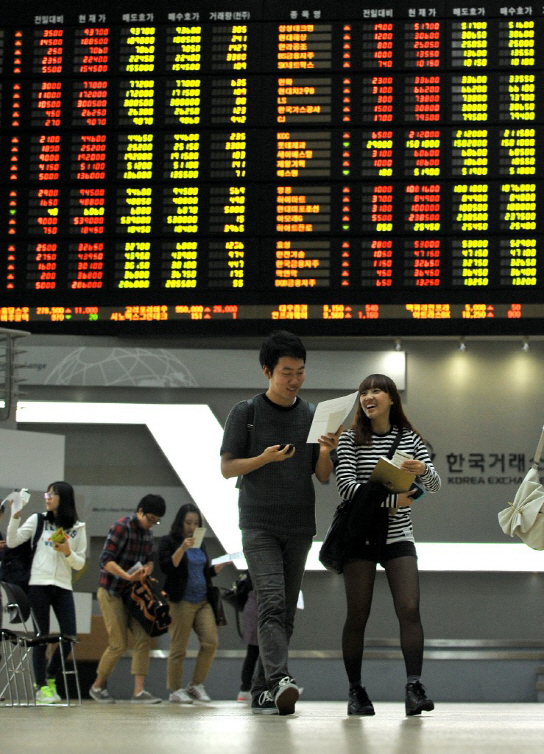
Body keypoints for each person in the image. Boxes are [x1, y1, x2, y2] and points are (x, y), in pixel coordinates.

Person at [220, 330, 341, 715]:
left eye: (300, 372)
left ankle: (261, 688)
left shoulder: (311, 414)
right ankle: (281, 680)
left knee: (284, 612)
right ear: (267, 371)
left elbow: (322, 475)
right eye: (286, 372)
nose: (294, 380)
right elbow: (226, 468)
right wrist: (263, 459)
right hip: (257, 523)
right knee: (271, 600)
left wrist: (325, 450)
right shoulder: (246, 412)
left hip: (299, 524)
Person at [334, 373, 441, 717]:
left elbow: (434, 485)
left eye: (377, 390)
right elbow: (348, 489)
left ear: (391, 399)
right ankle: (356, 692)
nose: (369, 396)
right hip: (360, 536)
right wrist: (393, 502)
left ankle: (413, 686)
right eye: (364, 391)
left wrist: (422, 468)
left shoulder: (409, 437)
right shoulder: (350, 439)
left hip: (398, 535)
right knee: (358, 613)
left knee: (409, 608)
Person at [5, 482, 87, 705]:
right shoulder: (38, 520)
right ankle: (40, 687)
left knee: (69, 636)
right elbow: (12, 541)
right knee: (40, 637)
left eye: (53, 494)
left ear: (64, 498)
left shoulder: (78, 527)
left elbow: (79, 563)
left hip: (63, 586)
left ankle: (50, 676)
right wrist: (16, 514)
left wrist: (68, 552)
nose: (47, 497)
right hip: (38, 584)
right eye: (47, 493)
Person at [89, 493, 166, 704]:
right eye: (150, 519)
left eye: (156, 521)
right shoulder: (122, 527)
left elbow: (149, 559)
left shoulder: (148, 534)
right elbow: (105, 560)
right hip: (111, 591)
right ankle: (97, 687)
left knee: (143, 637)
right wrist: (127, 575)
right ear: (139, 511)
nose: (152, 524)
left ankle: (139, 692)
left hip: (132, 595)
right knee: (118, 643)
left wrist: (147, 570)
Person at [159, 502, 229, 704]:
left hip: (203, 599)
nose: (191, 527)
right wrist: (182, 547)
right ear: (180, 522)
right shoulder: (169, 541)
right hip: (181, 600)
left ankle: (196, 684)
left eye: (196, 523)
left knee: (211, 641)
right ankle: (174, 689)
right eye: (188, 522)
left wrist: (218, 566)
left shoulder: (201, 543)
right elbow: (167, 567)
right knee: (178, 647)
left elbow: (204, 571)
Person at [236, 572, 258, 704]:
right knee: (256, 651)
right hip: (257, 606)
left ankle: (245, 689)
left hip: (254, 606)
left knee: (254, 651)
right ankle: (246, 688)